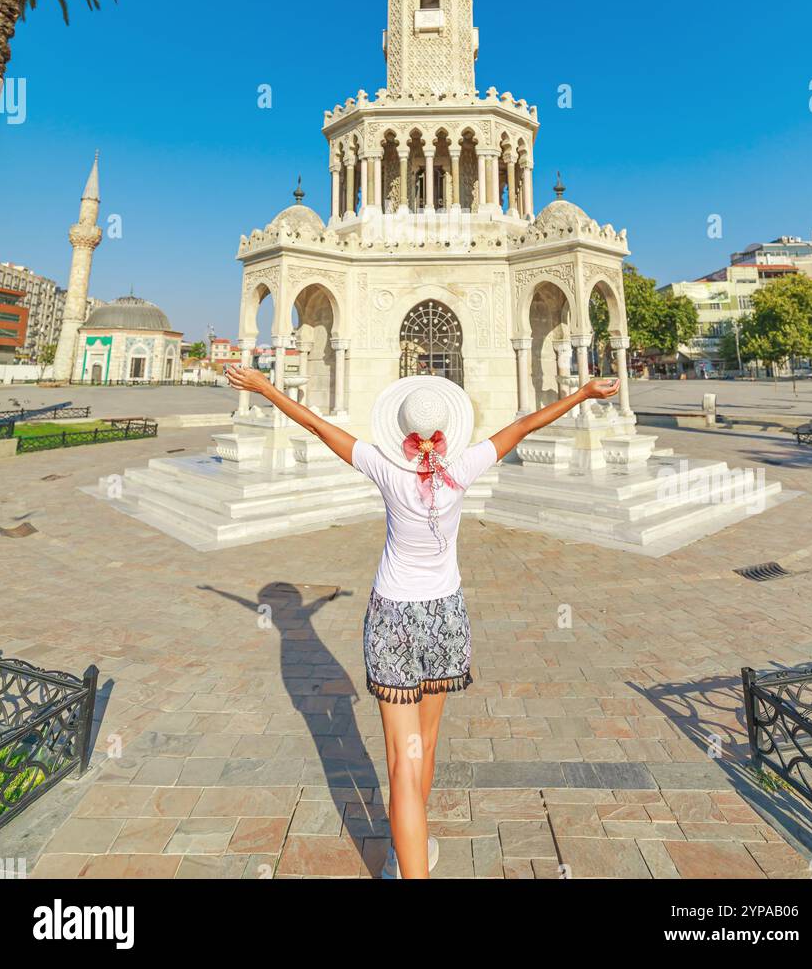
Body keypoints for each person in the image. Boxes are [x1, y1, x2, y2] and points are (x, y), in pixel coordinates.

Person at [226, 362, 619, 879]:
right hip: (444, 616)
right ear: (444, 429)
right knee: (424, 747)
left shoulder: (387, 469)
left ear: (402, 431)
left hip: (392, 617)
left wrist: (264, 387)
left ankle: (406, 859)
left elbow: (318, 426)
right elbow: (526, 426)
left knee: (399, 766)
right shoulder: (464, 466)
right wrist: (585, 392)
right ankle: (415, 845)